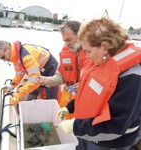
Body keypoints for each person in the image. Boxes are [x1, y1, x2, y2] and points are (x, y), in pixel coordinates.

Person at [57, 17, 141, 150]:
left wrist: (75, 126)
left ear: (105, 46)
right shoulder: (99, 61)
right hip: (87, 133)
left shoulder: (131, 76)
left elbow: (116, 124)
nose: (87, 56)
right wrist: (70, 107)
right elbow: (90, 95)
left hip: (110, 142)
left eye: (89, 51)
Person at [38, 20, 87, 119]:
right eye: (65, 41)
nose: (67, 44)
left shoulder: (94, 53)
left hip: (85, 101)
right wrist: (47, 80)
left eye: (69, 39)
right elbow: (60, 76)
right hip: (68, 99)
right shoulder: (65, 52)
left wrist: (84, 86)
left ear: (81, 35)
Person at [0, 40, 59, 105]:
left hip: (51, 69)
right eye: (2, 59)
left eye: (3, 57)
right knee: (30, 98)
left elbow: (34, 81)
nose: (4, 60)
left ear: (8, 48)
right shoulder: (16, 57)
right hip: (39, 72)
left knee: (51, 100)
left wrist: (18, 94)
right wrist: (11, 86)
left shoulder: (26, 57)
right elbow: (19, 74)